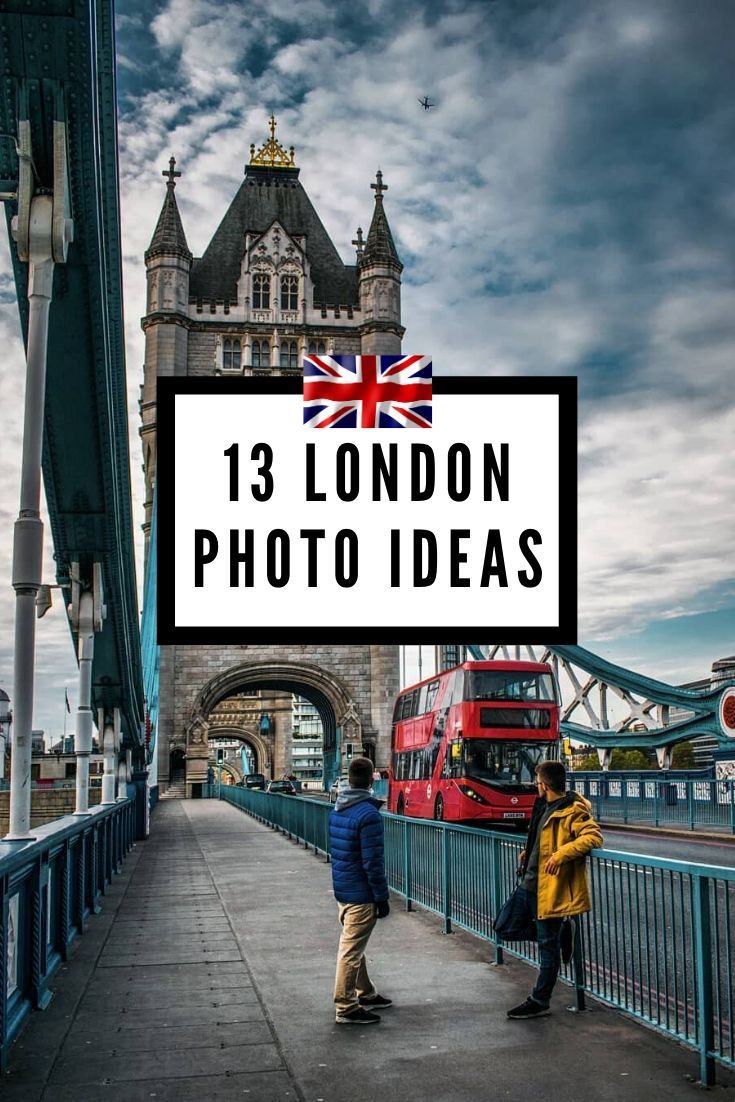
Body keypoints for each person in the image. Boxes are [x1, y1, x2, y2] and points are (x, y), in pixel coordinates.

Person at [507, 759, 603, 1020]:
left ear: (545, 784)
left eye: (537, 782)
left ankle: (540, 1000)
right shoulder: (543, 806)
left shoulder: (573, 810)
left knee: (547, 949)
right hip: (529, 882)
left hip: (549, 888)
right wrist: (530, 852)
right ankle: (562, 934)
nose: (535, 786)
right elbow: (541, 838)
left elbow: (593, 836)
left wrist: (560, 855)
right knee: (506, 927)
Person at [329, 756, 392, 1025]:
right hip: (361, 893)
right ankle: (345, 1006)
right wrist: (382, 896)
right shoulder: (369, 815)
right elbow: (372, 863)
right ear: (371, 780)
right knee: (350, 951)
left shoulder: (338, 809)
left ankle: (364, 992)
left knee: (354, 944)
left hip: (343, 888)